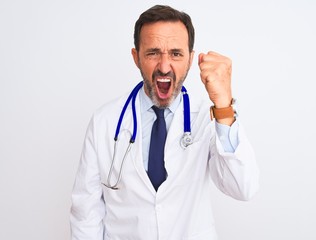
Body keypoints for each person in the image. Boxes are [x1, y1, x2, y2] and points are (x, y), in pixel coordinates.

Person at [70, 4, 259, 240]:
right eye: (153, 53)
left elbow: (243, 187)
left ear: (190, 59)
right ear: (136, 57)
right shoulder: (105, 121)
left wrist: (223, 106)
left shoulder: (208, 118)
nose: (164, 66)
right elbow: (85, 214)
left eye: (176, 53)